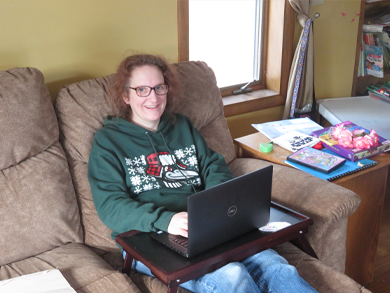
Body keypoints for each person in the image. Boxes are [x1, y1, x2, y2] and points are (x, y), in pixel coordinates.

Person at [88, 54, 317, 293]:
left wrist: (216, 205)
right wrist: (167, 220)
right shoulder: (108, 141)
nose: (153, 97)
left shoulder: (181, 126)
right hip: (147, 235)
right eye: (142, 89)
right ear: (126, 95)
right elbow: (111, 207)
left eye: (159, 87)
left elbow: (213, 165)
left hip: (206, 226)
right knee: (232, 276)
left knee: (277, 267)